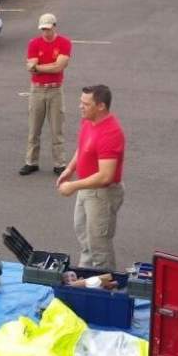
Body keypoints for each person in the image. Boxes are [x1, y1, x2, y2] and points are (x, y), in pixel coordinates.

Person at [56, 85, 126, 270]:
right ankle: (85, 276)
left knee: (99, 245)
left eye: (86, 104)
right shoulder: (89, 121)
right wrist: (70, 168)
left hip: (101, 195)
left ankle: (105, 286)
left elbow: (105, 176)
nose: (80, 106)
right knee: (84, 236)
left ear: (101, 106)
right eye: (81, 102)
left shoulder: (110, 133)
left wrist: (73, 186)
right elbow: (83, 147)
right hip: (86, 189)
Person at [19, 13, 72, 176]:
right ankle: (31, 162)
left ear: (54, 26)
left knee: (57, 129)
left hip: (55, 89)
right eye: (43, 29)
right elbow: (30, 66)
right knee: (34, 128)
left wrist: (39, 68)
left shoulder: (64, 43)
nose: (45, 32)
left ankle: (59, 163)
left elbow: (59, 67)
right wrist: (48, 66)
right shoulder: (34, 43)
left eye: (48, 29)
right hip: (37, 89)